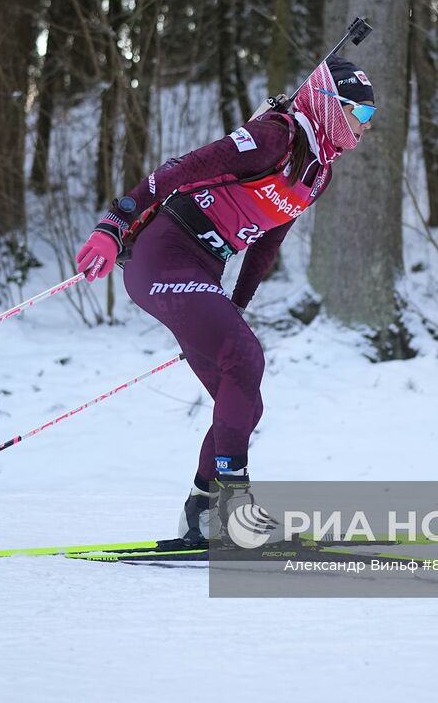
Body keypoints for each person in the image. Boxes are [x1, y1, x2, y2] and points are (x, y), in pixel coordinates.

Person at [74, 55, 376, 544]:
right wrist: (115, 223)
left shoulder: (317, 173)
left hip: (203, 270)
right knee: (245, 359)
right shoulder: (273, 138)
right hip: (163, 256)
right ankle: (236, 507)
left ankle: (201, 512)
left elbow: (268, 240)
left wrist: (237, 303)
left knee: (242, 403)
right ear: (324, 105)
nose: (362, 129)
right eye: (356, 115)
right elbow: (180, 169)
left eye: (369, 120)